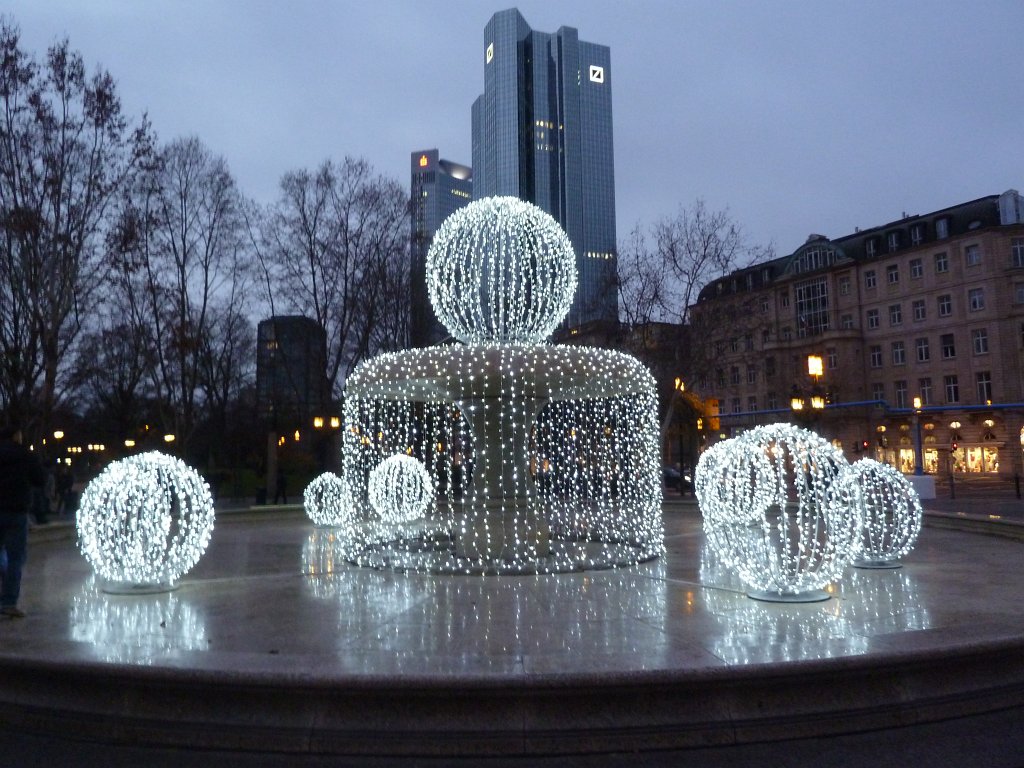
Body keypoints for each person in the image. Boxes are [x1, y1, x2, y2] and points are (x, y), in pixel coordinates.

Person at [0, 423, 46, 618]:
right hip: (17, 511)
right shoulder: (26, 455)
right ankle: (9, 602)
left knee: (4, 556)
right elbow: (40, 480)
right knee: (16, 557)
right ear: (16, 436)